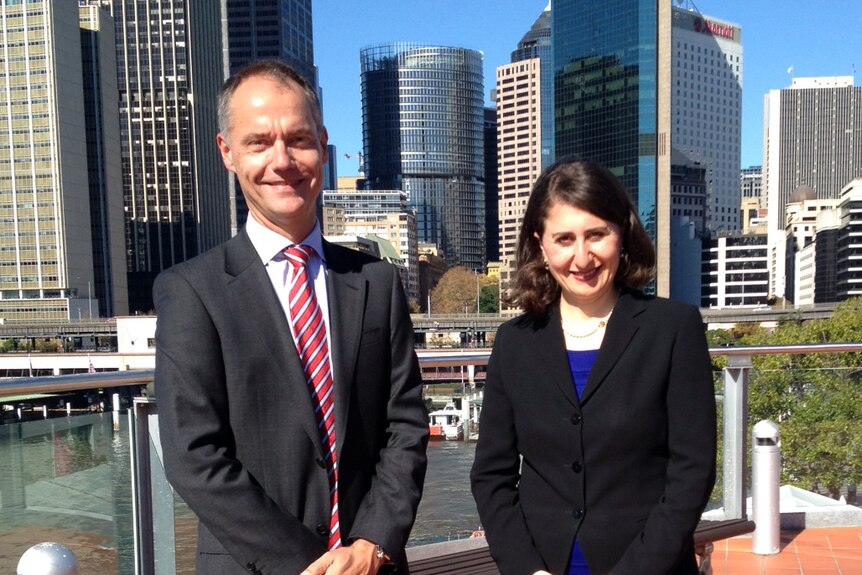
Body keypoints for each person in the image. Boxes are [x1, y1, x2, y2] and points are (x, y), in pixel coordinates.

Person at [153, 60, 429, 575]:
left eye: (298, 139)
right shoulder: (191, 292)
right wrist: (312, 566)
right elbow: (194, 456)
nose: (282, 160)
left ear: (323, 146)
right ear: (227, 152)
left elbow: (406, 426)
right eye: (259, 142)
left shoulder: (376, 282)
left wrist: (373, 541)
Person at [470, 159, 717, 575]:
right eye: (564, 239)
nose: (581, 257)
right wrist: (526, 569)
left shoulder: (673, 328)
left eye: (596, 234)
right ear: (541, 244)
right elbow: (491, 476)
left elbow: (691, 473)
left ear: (622, 232)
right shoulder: (514, 342)